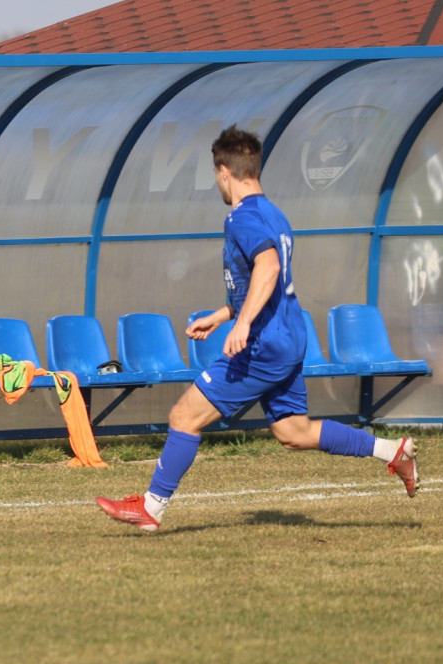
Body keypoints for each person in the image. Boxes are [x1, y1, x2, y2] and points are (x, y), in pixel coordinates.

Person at [96, 125, 420, 532]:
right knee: (293, 431)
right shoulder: (274, 213)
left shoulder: (242, 218)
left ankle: (151, 508)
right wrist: (223, 315)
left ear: (223, 172)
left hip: (264, 344)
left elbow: (268, 267)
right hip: (288, 335)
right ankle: (393, 450)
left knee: (183, 416)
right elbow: (266, 285)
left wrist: (243, 324)